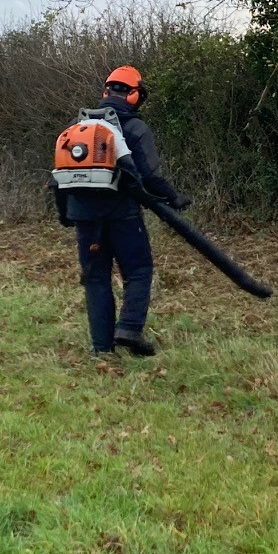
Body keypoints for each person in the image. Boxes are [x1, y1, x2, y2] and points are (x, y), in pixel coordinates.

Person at [64, 64, 188, 358]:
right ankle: (130, 328)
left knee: (96, 279)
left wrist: (64, 212)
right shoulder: (135, 128)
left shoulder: (78, 126)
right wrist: (175, 198)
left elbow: (61, 174)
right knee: (139, 270)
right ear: (134, 95)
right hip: (123, 215)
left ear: (106, 91)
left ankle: (102, 348)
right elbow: (150, 176)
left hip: (85, 218)